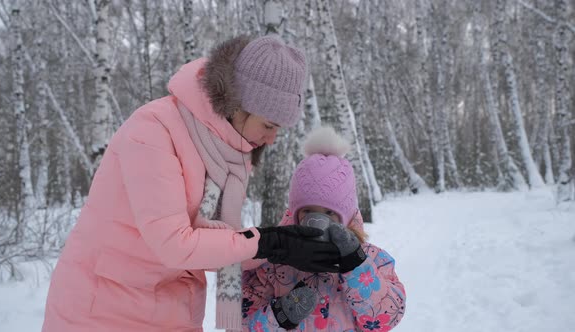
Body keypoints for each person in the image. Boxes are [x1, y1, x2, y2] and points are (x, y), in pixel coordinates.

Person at [42, 35, 345, 332]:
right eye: (269, 125)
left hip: (171, 312)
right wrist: (267, 242)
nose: (272, 139)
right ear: (238, 105)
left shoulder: (225, 156)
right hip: (103, 313)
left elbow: (214, 247)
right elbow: (175, 245)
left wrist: (279, 245)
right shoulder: (154, 131)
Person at [242, 126, 407, 331]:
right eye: (308, 211)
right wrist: (279, 316)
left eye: (329, 213)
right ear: (294, 213)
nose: (318, 220)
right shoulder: (274, 265)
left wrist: (356, 265)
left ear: (346, 216)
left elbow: (387, 318)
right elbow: (240, 323)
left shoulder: (372, 259)